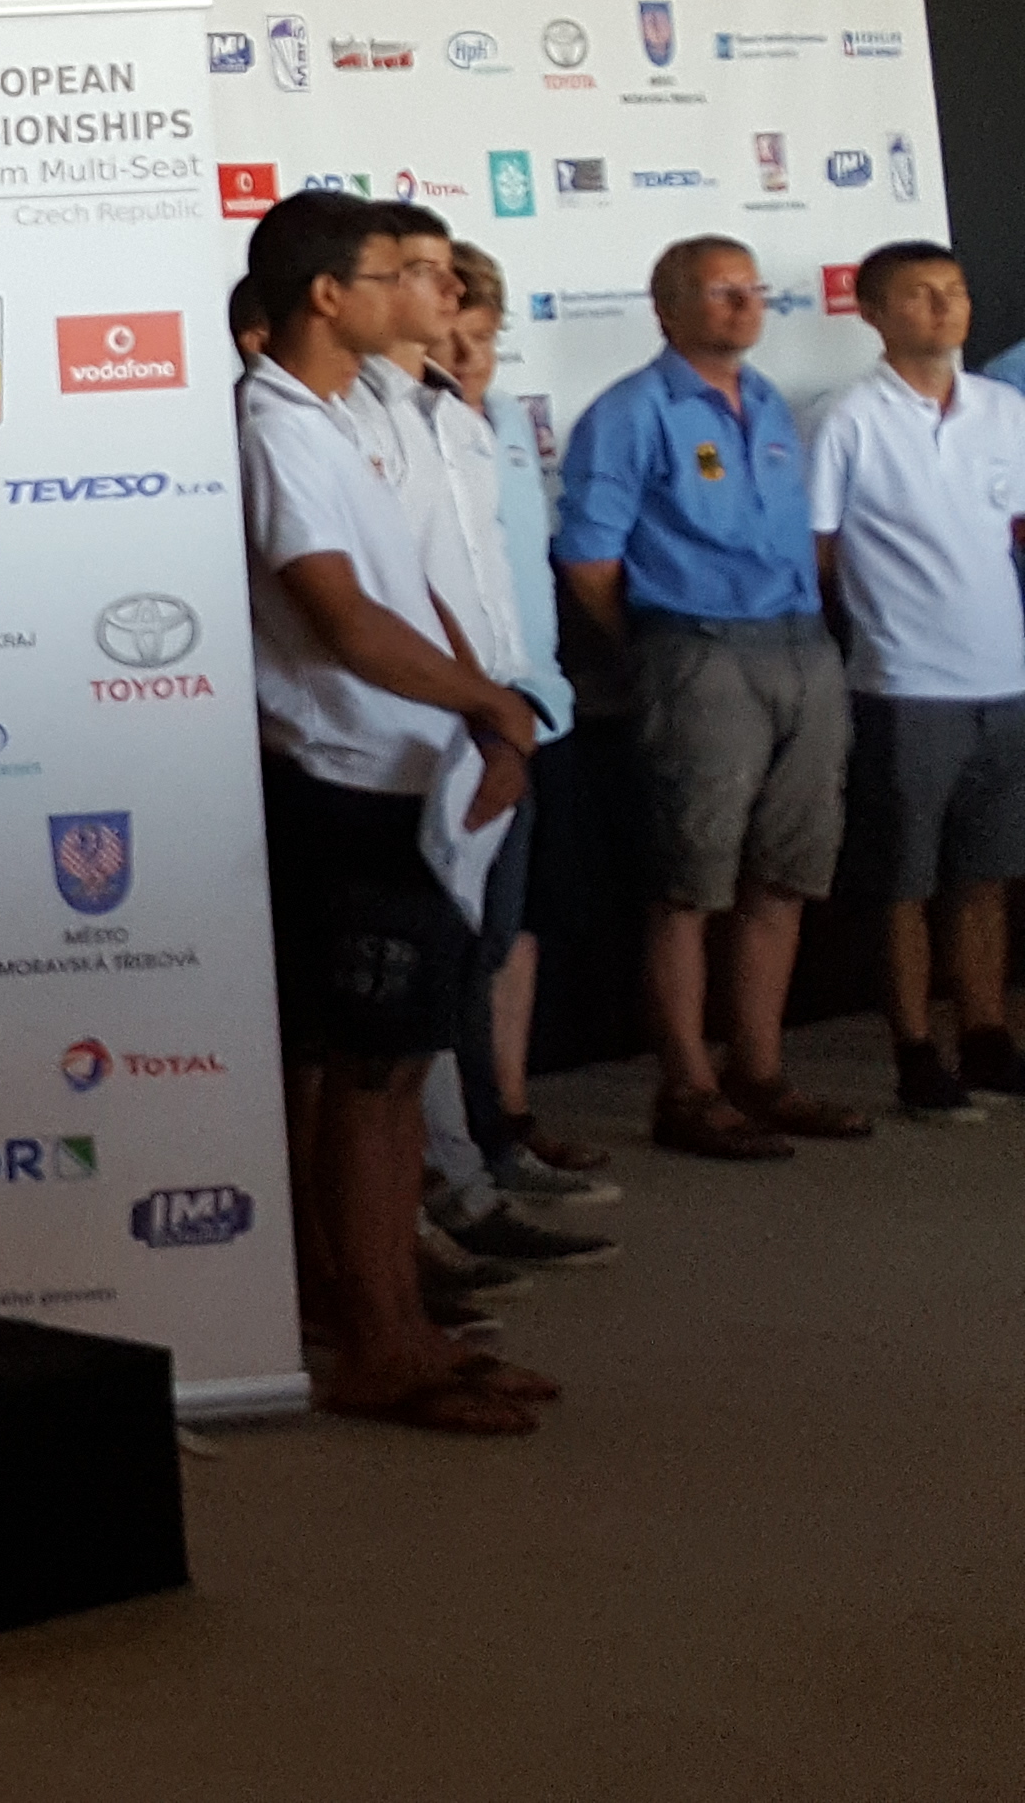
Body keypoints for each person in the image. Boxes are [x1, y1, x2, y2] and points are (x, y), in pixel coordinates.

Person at [235, 192, 551, 1434]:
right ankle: (375, 1343)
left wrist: (484, 713)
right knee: (366, 1080)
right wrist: (488, 704)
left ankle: (399, 1324)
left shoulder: (345, 414)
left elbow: (414, 589)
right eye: (391, 274)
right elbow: (340, 617)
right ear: (329, 296)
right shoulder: (274, 426)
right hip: (343, 788)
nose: (426, 294)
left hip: (413, 777)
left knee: (390, 1071)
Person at [555, 236, 865, 1159]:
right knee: (689, 885)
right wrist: (659, 645)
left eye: (751, 289)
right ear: (668, 308)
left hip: (802, 647)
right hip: (697, 650)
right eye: (721, 291)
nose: (744, 304)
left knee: (783, 876)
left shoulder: (767, 401)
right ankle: (687, 1089)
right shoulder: (630, 411)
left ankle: (759, 1073)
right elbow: (589, 559)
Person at [375, 223, 612, 1293]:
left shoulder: (502, 425)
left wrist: (522, 706)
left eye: (485, 337)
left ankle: (499, 1133)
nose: (469, 356)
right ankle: (447, 1180)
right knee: (442, 962)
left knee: (507, 941)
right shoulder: (386, 431)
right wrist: (482, 707)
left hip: (532, 715)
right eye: (454, 335)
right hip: (443, 729)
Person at [809, 239, 1025, 1119]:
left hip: (1004, 679)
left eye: (955, 291)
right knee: (903, 881)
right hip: (903, 681)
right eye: (920, 294)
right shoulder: (846, 418)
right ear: (873, 313)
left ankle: (986, 1034)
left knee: (986, 874)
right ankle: (914, 1049)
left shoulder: (1005, 409)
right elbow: (819, 551)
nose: (943, 308)